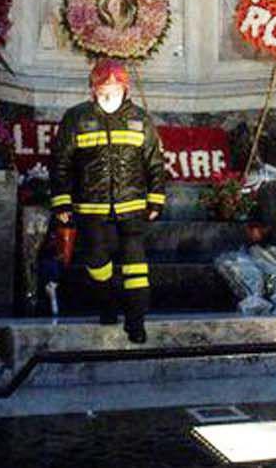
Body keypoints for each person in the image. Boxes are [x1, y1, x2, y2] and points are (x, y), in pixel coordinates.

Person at [50, 60, 168, 344]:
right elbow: (60, 163)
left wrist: (155, 200)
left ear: (125, 89)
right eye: (102, 89)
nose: (108, 94)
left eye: (114, 89)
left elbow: (155, 162)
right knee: (96, 262)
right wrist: (62, 204)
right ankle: (107, 305)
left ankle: (136, 322)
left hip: (131, 207)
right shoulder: (75, 118)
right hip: (92, 207)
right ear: (93, 89)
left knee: (136, 267)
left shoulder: (141, 119)